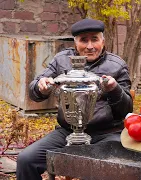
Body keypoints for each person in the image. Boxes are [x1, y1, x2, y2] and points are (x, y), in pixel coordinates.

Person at [16, 19, 133, 180]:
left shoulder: (117, 65)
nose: (90, 46)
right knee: (26, 160)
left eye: (94, 39)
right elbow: (34, 89)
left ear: (103, 41)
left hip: (106, 134)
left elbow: (126, 110)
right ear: (75, 42)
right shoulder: (62, 60)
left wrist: (114, 89)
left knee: (94, 167)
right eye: (84, 40)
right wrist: (40, 87)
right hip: (67, 131)